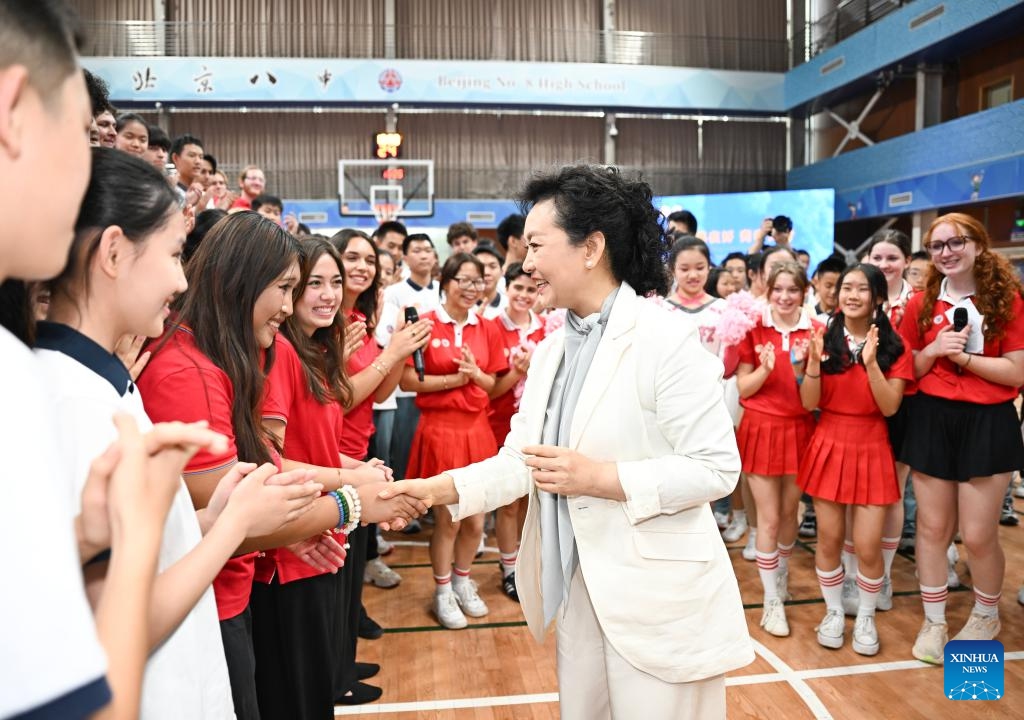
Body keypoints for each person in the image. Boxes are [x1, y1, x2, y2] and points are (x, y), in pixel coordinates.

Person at [383, 165, 752, 718]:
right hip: (581, 585)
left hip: (658, 596)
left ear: (591, 248)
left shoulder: (665, 341)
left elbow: (716, 469)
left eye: (536, 245)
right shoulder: (556, 350)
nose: (525, 263)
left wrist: (600, 478)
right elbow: (522, 463)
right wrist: (429, 490)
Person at [40, 147, 325, 719]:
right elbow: (114, 616)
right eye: (174, 255)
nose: (180, 278)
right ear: (114, 252)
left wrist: (212, 520)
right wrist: (234, 527)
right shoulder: (74, 400)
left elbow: (131, 547)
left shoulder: (103, 384)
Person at [0, 5, 227, 717]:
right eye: (81, 138)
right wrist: (137, 533)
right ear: (12, 113)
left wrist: (86, 538)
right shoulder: (39, 388)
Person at [138, 213, 421, 718]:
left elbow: (248, 480)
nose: (291, 306)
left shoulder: (222, 355)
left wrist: (314, 512)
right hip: (211, 601)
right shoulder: (192, 368)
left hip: (230, 586)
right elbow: (231, 510)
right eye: (291, 287)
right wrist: (352, 501)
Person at [898, 213, 1024, 664]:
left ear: (978, 245)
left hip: (988, 422)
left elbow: (1016, 371)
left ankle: (986, 614)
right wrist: (933, 350)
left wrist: (966, 360)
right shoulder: (920, 302)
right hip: (932, 418)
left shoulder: (1005, 299)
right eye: (937, 246)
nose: (946, 252)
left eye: (956, 242)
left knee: (978, 534)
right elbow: (907, 369)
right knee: (932, 528)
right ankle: (934, 621)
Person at [329, 230, 430, 690]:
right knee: (335, 567)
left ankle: (345, 657)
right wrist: (391, 352)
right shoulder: (325, 323)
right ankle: (336, 669)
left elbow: (381, 393)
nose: (363, 267)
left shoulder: (361, 321)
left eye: (370, 260)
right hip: (333, 455)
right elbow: (341, 398)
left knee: (351, 565)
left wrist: (397, 353)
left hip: (358, 449)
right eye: (352, 257)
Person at [797, 264, 913, 656]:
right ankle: (832, 612)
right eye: (846, 287)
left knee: (867, 545)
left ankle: (865, 616)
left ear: (878, 297)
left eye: (862, 289)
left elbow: (891, 406)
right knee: (828, 539)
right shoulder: (821, 338)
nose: (851, 295)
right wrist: (812, 365)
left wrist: (872, 365)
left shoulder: (894, 346)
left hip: (872, 443)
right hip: (828, 440)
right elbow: (809, 404)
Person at [399, 252, 507, 629]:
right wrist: (454, 381)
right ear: (445, 281)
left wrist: (475, 374)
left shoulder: (488, 327)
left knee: (477, 524)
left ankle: (462, 582)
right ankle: (442, 591)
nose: (470, 288)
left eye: (477, 281)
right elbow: (407, 381)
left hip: (477, 429)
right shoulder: (426, 325)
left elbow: (493, 385)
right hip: (440, 428)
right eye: (462, 279)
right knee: (447, 521)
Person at [736, 261, 823, 637]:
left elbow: (813, 399)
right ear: (768, 291)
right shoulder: (753, 328)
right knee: (769, 518)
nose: (785, 297)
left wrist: (808, 367)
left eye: (792, 290)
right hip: (760, 428)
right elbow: (743, 388)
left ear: (804, 292)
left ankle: (781, 573)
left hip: (802, 429)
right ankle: (772, 600)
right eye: (778, 290)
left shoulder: (818, 330)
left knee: (791, 513)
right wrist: (765, 370)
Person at [485, 262, 546, 600]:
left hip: (538, 426)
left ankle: (524, 562)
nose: (524, 295)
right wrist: (515, 373)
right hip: (499, 425)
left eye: (531, 288)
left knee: (531, 500)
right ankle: (508, 569)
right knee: (508, 502)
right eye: (518, 288)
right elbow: (490, 390)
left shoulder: (547, 328)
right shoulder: (492, 327)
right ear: (506, 289)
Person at [473, 242, 507, 319]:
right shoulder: (461, 306)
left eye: (492, 266)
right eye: (481, 267)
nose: (486, 272)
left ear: (502, 272)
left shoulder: (509, 305)